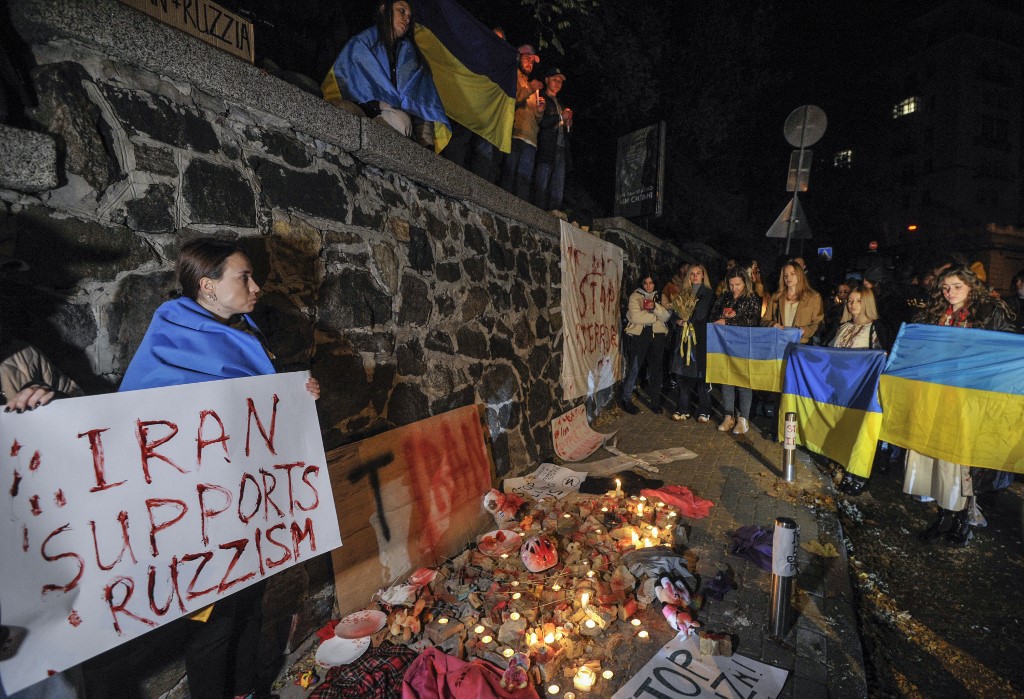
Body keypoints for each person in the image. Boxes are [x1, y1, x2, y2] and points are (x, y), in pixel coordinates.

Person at [120, 239, 320, 698]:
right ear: (207, 285)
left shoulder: (244, 330)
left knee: (251, 603)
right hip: (196, 515)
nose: (256, 286)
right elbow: (141, 422)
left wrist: (299, 393)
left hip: (245, 505)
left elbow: (255, 411)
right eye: (243, 277)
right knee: (213, 625)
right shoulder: (171, 335)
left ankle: (248, 691)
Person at [904, 265, 1015, 547]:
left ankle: (961, 521)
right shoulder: (935, 314)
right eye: (945, 287)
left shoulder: (987, 314)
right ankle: (942, 516)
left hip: (968, 399)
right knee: (935, 458)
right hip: (936, 396)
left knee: (960, 462)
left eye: (956, 286)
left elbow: (1002, 351)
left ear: (970, 286)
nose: (949, 292)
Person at [322, 0, 448, 149]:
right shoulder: (362, 43)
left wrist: (427, 147)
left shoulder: (413, 60)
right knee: (342, 109)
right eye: (402, 11)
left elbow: (423, 103)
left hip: (389, 120)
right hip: (360, 110)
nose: (407, 19)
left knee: (401, 120)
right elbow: (344, 86)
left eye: (409, 16)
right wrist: (378, 103)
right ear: (384, 9)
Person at [827, 284, 891, 495]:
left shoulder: (876, 327)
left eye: (858, 300)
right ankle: (843, 468)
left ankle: (860, 476)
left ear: (867, 302)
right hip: (840, 389)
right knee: (842, 429)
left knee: (861, 434)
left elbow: (884, 357)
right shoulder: (843, 326)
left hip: (863, 390)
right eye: (850, 301)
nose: (853, 304)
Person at [710, 267, 762, 434]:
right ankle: (728, 416)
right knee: (726, 380)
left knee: (743, 382)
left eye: (738, 284)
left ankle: (743, 419)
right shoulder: (724, 297)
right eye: (731, 285)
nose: (735, 288)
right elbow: (713, 315)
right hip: (725, 345)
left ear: (745, 283)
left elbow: (753, 321)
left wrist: (732, 320)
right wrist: (722, 315)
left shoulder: (751, 298)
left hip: (744, 345)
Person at [667, 264, 714, 422]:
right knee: (682, 375)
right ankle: (682, 408)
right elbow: (673, 313)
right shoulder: (683, 293)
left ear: (703, 276)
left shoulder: (708, 293)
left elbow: (702, 314)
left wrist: (689, 320)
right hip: (683, 338)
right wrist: (678, 321)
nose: (694, 276)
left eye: (698, 273)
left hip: (699, 339)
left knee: (701, 377)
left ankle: (704, 410)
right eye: (691, 273)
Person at [620, 274, 671, 414]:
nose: (648, 286)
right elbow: (635, 317)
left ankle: (655, 401)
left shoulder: (661, 297)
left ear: (655, 283)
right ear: (641, 283)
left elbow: (667, 316)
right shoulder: (635, 296)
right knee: (635, 367)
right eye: (645, 283)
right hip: (640, 336)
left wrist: (655, 307)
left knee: (656, 369)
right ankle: (626, 398)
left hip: (658, 336)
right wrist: (657, 316)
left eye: (651, 283)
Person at [499, 45, 544, 200]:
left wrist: (540, 111)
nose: (530, 64)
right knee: (509, 175)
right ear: (519, 57)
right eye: (527, 59)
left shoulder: (532, 86)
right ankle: (502, 205)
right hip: (515, 134)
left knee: (524, 181)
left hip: (531, 141)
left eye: (532, 62)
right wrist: (530, 88)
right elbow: (512, 99)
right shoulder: (513, 76)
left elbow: (537, 119)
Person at [532, 67, 572, 212]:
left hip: (561, 148)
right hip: (546, 146)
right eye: (555, 80)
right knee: (542, 181)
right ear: (547, 80)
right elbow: (542, 122)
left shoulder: (560, 103)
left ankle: (554, 214)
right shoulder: (541, 98)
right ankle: (537, 213)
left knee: (558, 184)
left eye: (560, 81)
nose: (558, 83)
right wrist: (562, 117)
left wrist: (568, 125)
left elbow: (564, 129)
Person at [764, 260, 824, 343]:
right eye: (785, 275)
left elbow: (819, 323)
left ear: (800, 275)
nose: (788, 278)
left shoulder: (814, 298)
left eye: (792, 274)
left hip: (803, 345)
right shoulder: (776, 297)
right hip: (780, 343)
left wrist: (804, 330)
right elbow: (764, 321)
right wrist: (772, 325)